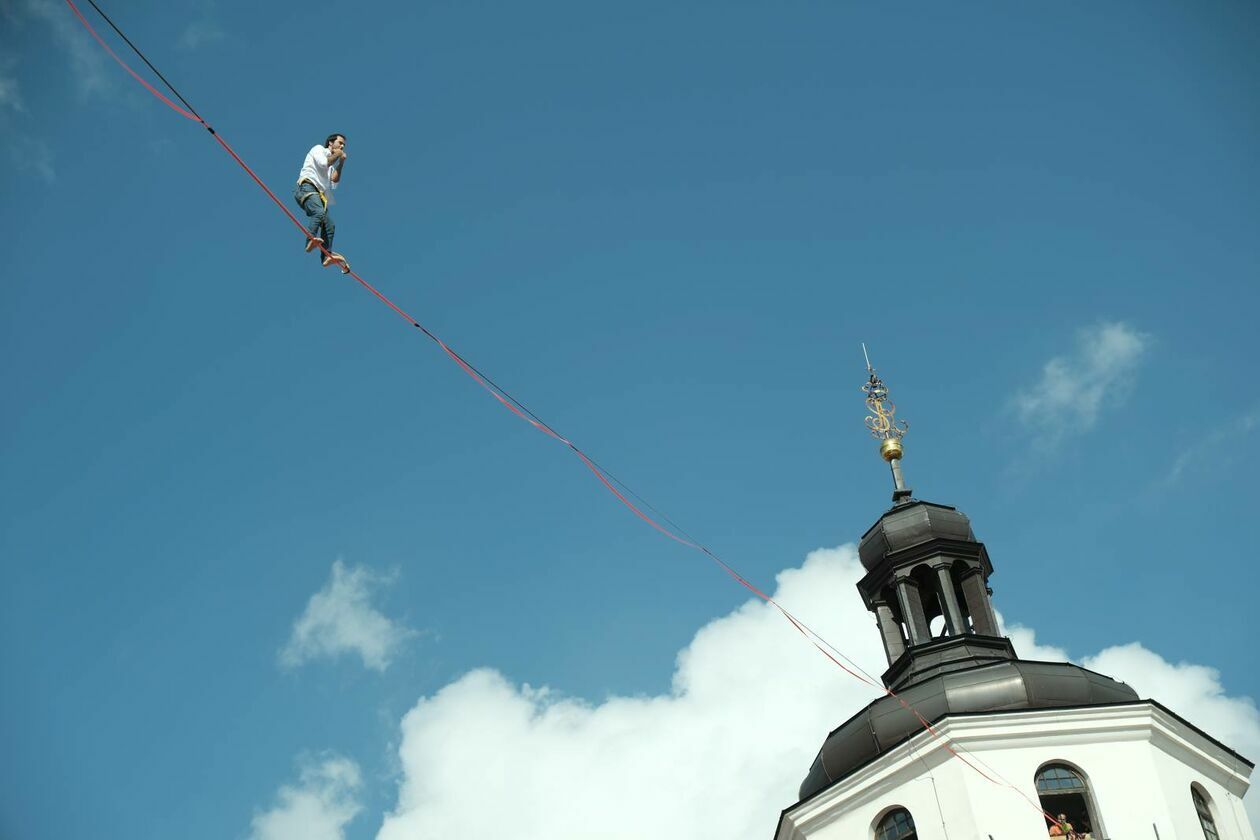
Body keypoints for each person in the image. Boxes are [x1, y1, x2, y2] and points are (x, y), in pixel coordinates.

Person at [294, 133, 349, 271]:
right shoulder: (318, 149)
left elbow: (334, 180)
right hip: (307, 187)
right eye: (340, 143)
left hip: (319, 195)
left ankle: (326, 256)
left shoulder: (331, 165)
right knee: (318, 213)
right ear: (331, 143)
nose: (342, 146)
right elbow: (325, 163)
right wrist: (338, 155)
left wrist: (341, 162)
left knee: (329, 225)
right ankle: (310, 240)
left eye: (343, 145)